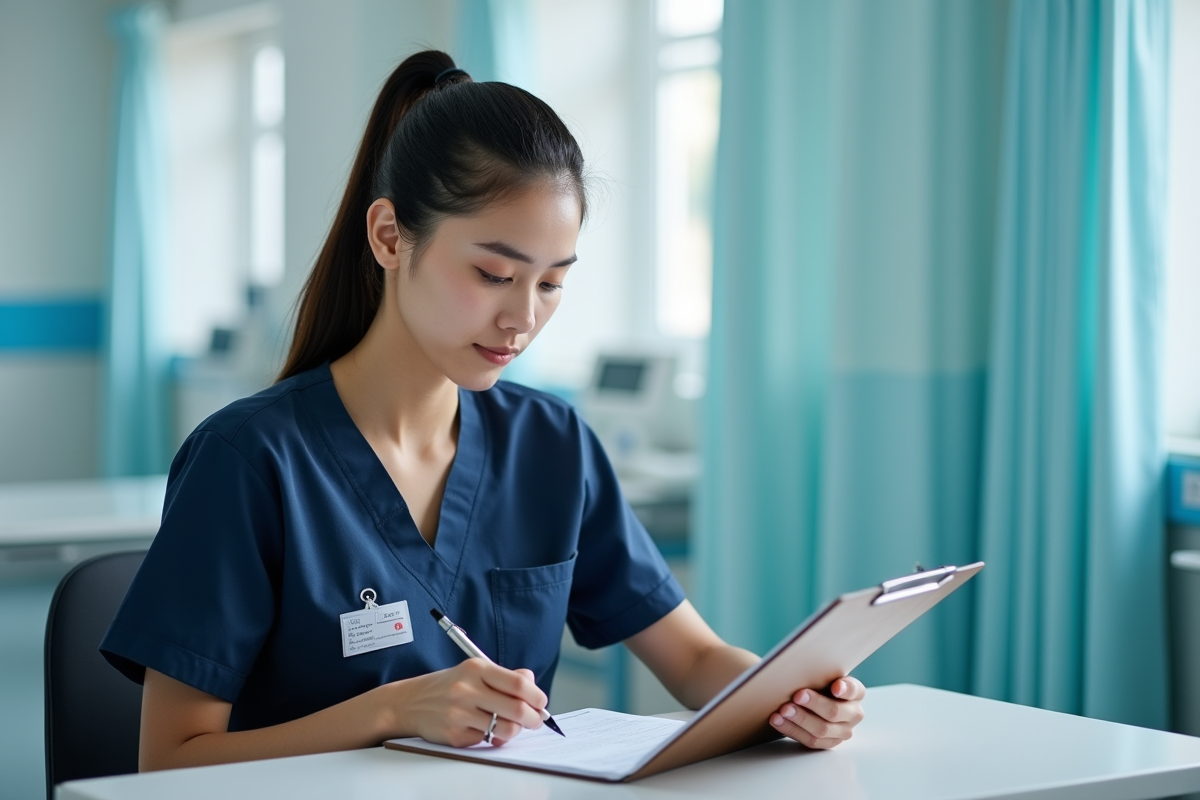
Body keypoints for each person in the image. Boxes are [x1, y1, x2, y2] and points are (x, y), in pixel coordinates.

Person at [100, 50, 865, 772]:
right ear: (391, 236)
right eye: (494, 273)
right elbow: (170, 759)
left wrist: (787, 698)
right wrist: (393, 709)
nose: (522, 318)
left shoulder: (552, 443)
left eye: (551, 283)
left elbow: (695, 659)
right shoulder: (250, 460)